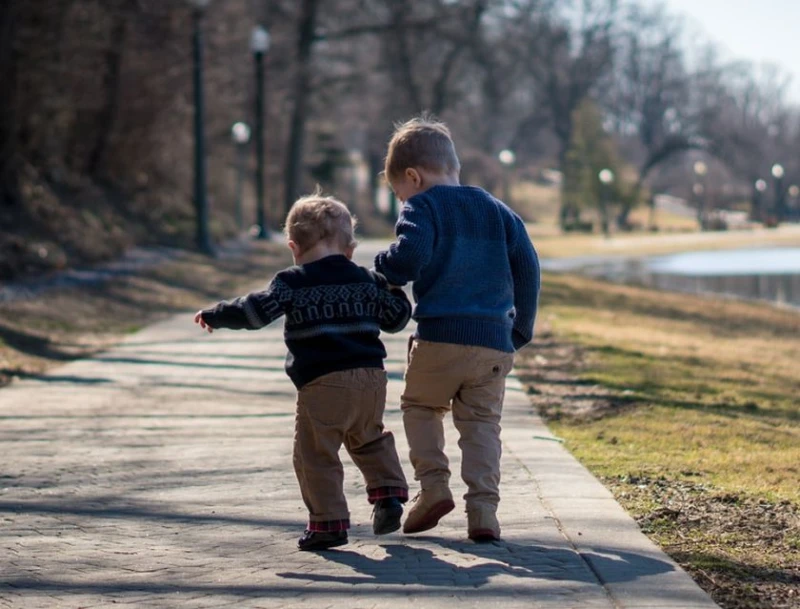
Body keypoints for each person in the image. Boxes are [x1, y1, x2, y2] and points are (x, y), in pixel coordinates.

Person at [195, 191, 412, 551]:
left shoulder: (291, 282)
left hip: (323, 382)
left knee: (315, 454)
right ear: (349, 248)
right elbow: (396, 319)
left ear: (293, 247)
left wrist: (218, 314)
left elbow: (255, 312)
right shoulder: (364, 279)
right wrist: (394, 287)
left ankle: (328, 524)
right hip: (371, 380)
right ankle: (388, 495)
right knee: (369, 437)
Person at [374, 116, 540, 542]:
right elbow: (528, 267)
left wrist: (384, 266)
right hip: (493, 343)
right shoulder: (498, 210)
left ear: (414, 177)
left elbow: (408, 258)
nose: (402, 200)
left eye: (399, 193)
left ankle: (433, 488)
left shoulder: (422, 206)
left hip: (440, 337)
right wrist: (520, 328)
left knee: (421, 407)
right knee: (482, 424)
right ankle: (483, 512)